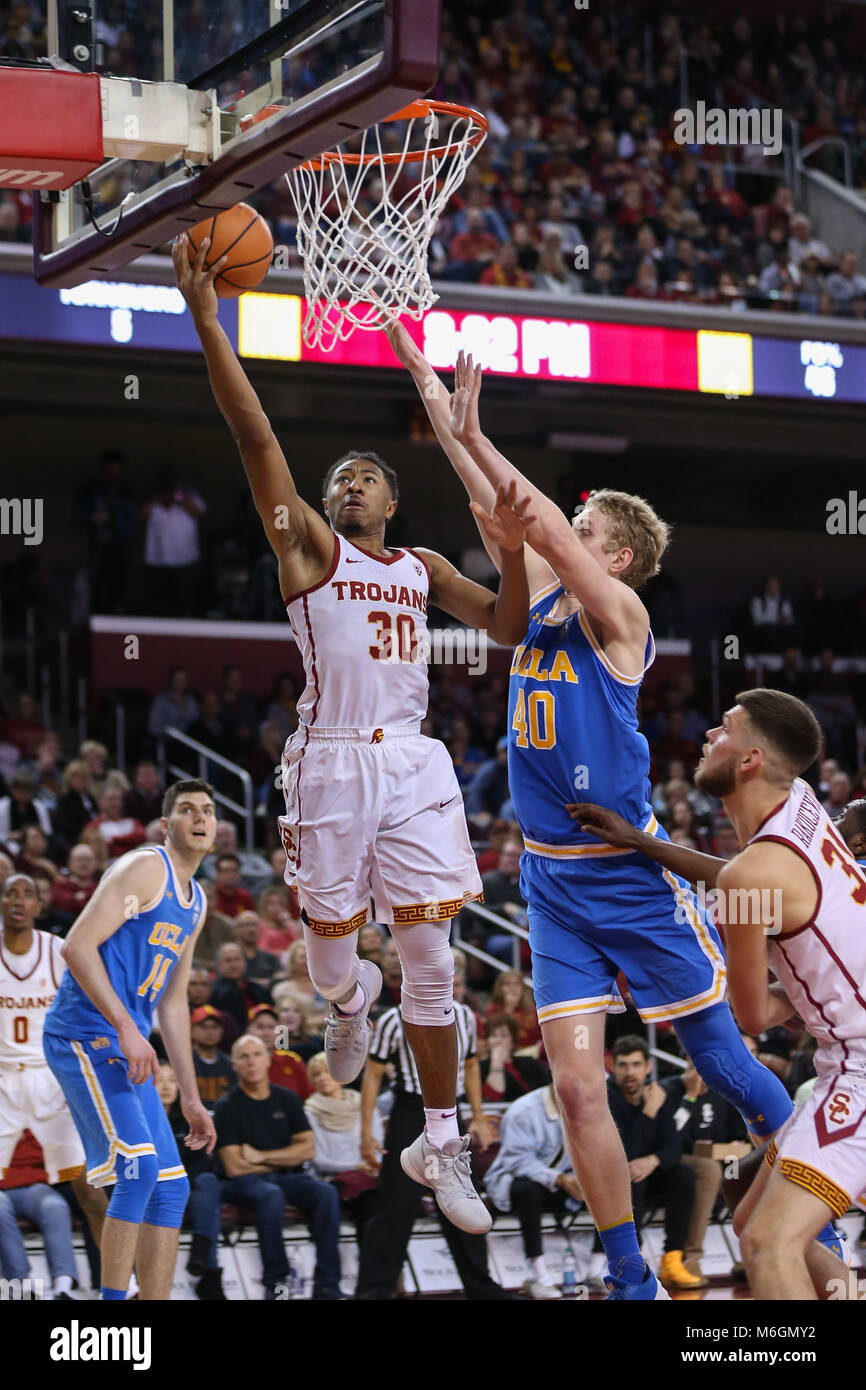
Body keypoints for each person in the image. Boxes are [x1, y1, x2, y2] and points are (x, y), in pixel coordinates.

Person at [389, 323, 798, 1301]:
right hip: (549, 877)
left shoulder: (621, 618)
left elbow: (526, 512)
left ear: (610, 549)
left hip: (628, 871)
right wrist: (446, 423)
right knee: (574, 1085)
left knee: (722, 1062)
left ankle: (832, 1175)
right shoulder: (535, 607)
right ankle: (630, 1278)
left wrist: (476, 432)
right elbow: (502, 513)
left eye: (583, 523)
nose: (564, 527)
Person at [176, 233, 531, 1237]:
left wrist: (508, 546)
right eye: (339, 476)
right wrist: (211, 322)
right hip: (328, 764)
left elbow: (504, 628)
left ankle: (440, 1137)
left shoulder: (418, 563)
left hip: (413, 761)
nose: (350, 482)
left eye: (367, 474)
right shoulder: (311, 552)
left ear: (394, 498)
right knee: (335, 971)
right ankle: (342, 1002)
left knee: (435, 963)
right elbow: (255, 445)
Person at [574, 687, 856, 1298]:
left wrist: (799, 1000)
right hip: (845, 1058)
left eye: (723, 728)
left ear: (750, 759)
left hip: (860, 1069)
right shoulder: (799, 804)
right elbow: (743, 876)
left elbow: (753, 1017)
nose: (707, 736)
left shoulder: (752, 874)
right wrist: (645, 843)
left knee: (764, 1242)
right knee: (747, 1199)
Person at [42, 779, 218, 1301]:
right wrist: (124, 1026)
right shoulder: (146, 868)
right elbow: (75, 947)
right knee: (138, 1172)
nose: (200, 818)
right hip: (81, 1034)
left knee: (173, 1186)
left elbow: (173, 1003)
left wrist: (190, 1097)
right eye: (187, 810)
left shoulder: (196, 901)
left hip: (125, 1045)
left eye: (208, 810)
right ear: (167, 825)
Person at [355, 1001, 507, 1301]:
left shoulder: (465, 1015)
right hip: (409, 1110)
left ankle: (482, 1288)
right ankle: (375, 1289)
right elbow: (373, 1074)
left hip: (452, 1113)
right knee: (395, 1205)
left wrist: (478, 1116)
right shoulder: (391, 1018)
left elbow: (472, 1065)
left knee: (464, 1195)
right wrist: (365, 1131)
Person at [0, 874, 107, 1260]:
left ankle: (123, 1285)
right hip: (3, 1084)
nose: (18, 900)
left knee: (89, 1189)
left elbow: (87, 1008)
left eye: (28, 893)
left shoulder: (58, 951)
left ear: (39, 907)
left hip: (52, 1079)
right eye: (10, 892)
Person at [215, 1033, 343, 1300]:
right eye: (243, 1057)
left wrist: (260, 1157)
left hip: (285, 1176)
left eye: (257, 1055)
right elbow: (234, 1167)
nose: (251, 1062)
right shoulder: (226, 1107)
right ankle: (276, 1283)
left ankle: (328, 1284)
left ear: (268, 1060)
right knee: (270, 1195)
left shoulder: (287, 1099)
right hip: (243, 1183)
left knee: (326, 1193)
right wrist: (286, 1156)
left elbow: (307, 1150)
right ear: (234, 1065)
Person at [607, 1036, 700, 1290]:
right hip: (617, 1177)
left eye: (636, 1065)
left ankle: (673, 1258)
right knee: (629, 1173)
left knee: (683, 1174)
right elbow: (626, 1151)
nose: (630, 1073)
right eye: (623, 1065)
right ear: (612, 1068)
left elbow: (673, 1147)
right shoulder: (606, 1099)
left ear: (648, 1066)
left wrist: (654, 1159)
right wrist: (648, 1112)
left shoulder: (658, 1094)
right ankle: (633, 1259)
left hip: (649, 1172)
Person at [484, 1083, 578, 1299]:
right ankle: (539, 1274)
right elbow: (517, 1162)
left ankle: (598, 1266)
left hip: (561, 1182)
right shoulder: (523, 1110)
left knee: (605, 1183)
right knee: (529, 1189)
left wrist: (581, 1179)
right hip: (511, 1183)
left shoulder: (586, 1106)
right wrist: (559, 1178)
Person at [664, 1054, 750, 1285]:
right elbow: (670, 1136)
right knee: (709, 1170)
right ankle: (692, 1256)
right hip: (674, 1160)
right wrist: (690, 1097)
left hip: (712, 1159)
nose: (700, 1074)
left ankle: (748, 1252)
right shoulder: (670, 1089)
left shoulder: (719, 1094)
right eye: (694, 1067)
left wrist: (732, 1147)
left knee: (740, 1169)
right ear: (686, 1064)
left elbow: (727, 1135)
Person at [155, 1062, 226, 1300]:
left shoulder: (188, 1121)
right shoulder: (141, 1120)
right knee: (207, 1203)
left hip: (185, 1187)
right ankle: (209, 1272)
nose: (166, 1086)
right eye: (160, 1080)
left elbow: (199, 1161)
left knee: (208, 1181)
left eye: (172, 1081)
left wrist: (181, 1186)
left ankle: (201, 1257)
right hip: (154, 1188)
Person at [305, 1051, 382, 1240]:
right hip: (331, 1179)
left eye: (326, 1071)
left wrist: (369, 1167)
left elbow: (378, 1148)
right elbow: (319, 1161)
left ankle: (383, 1262)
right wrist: (356, 1167)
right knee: (370, 1199)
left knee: (388, 1194)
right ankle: (374, 1262)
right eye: (316, 1074)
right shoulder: (309, 1112)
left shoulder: (365, 1105)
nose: (322, 1078)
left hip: (367, 1175)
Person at [0, 1132, 80, 1300]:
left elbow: (44, 1154)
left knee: (55, 1206)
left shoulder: (33, 1114)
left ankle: (62, 1287)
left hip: (32, 1185)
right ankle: (19, 1285)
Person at [246, 1002, 311, 1099]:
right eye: (260, 1027)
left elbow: (309, 1096)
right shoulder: (240, 1063)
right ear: (248, 1030)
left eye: (271, 1027)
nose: (266, 1033)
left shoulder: (293, 1061)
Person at [481, 1014, 548, 1103]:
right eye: (493, 1036)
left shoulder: (530, 1062)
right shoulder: (480, 1067)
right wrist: (497, 1062)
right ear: (487, 1040)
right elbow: (493, 1097)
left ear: (512, 1041)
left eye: (504, 1036)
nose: (498, 1040)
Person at [210, 942, 272, 1035]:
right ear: (219, 966)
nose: (234, 965)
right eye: (228, 960)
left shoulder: (258, 989)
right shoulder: (213, 992)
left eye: (237, 959)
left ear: (244, 962)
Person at [190, 1005, 235, 1111]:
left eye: (215, 1027)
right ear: (191, 1030)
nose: (210, 1032)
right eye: (203, 1026)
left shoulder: (230, 1063)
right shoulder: (184, 1061)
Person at [233, 910, 281, 987]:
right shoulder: (232, 958)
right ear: (236, 930)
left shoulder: (270, 958)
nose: (251, 929)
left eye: (254, 925)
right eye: (246, 925)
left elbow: (280, 977)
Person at [212, 853, 257, 919]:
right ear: (217, 874)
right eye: (225, 871)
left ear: (239, 874)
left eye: (234, 870)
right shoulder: (210, 896)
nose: (230, 875)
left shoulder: (245, 897)